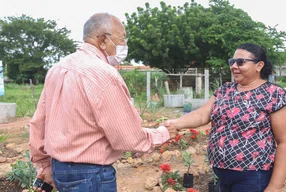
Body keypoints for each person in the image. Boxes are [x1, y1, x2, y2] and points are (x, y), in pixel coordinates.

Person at [29, 13, 177, 192]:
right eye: (122, 39)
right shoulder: (103, 74)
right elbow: (128, 136)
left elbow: (39, 123)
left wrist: (44, 166)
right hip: (91, 175)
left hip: (60, 170)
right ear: (103, 40)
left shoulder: (58, 68)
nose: (124, 45)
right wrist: (162, 133)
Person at [165, 43, 286, 192]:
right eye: (232, 62)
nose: (234, 66)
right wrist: (175, 123)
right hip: (222, 174)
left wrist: (274, 187)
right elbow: (202, 114)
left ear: (259, 66)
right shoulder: (225, 90)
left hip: (252, 176)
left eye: (240, 62)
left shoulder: (275, 95)